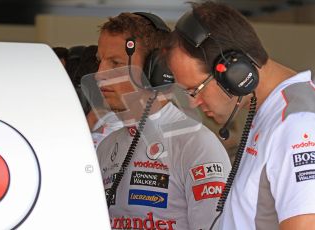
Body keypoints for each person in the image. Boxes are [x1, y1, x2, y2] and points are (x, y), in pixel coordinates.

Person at [166, 1, 315, 229]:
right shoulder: (271, 114)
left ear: (236, 72)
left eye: (195, 89)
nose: (193, 102)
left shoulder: (296, 125)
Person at [93, 11, 231, 230]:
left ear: (156, 69)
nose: (100, 74)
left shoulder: (196, 144)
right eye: (100, 62)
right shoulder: (106, 147)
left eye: (115, 62)